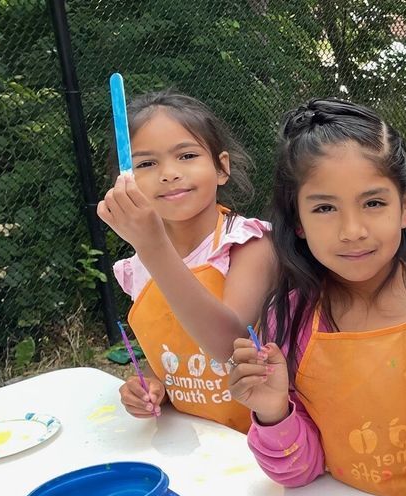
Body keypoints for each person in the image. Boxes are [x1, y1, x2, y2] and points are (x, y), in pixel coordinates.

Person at [227, 98, 406, 496]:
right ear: (297, 220)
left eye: (373, 203)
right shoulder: (288, 323)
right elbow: (299, 473)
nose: (352, 230)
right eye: (326, 207)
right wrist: (273, 410)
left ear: (405, 206)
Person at [98, 91, 275, 431]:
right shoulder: (138, 264)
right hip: (194, 442)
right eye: (146, 164)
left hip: (265, 443)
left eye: (187, 155)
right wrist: (150, 384)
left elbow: (228, 347)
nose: (168, 173)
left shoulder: (249, 244)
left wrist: (153, 248)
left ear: (221, 167)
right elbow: (168, 352)